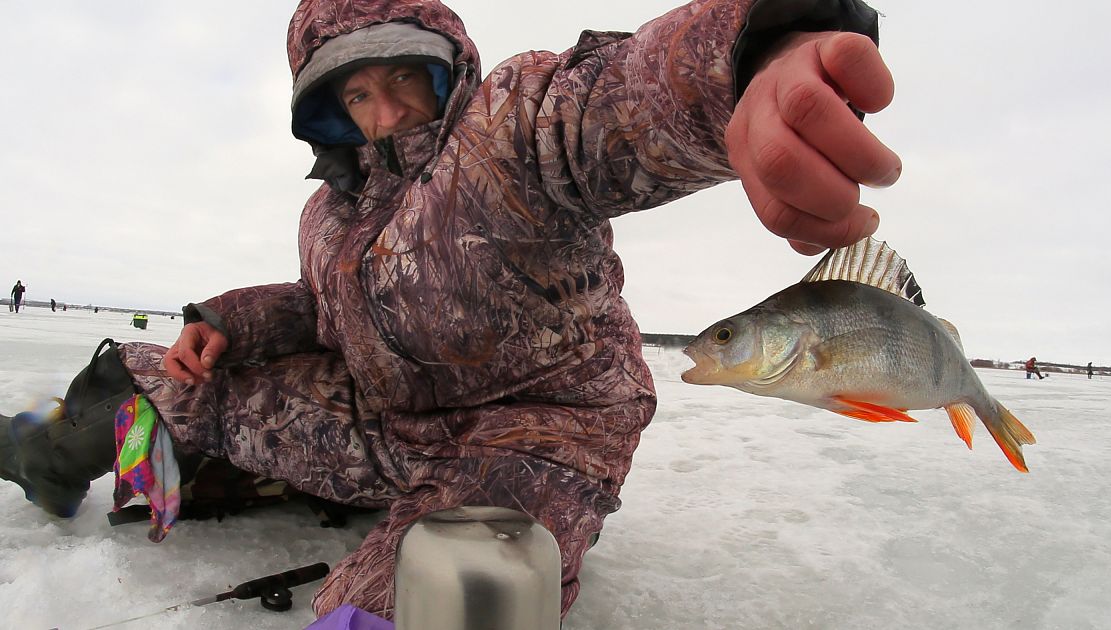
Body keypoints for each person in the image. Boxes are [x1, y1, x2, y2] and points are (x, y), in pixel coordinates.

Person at [0, 0, 898, 620]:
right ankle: (48, 453)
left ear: (447, 69)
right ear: (329, 113)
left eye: (403, 78)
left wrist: (756, 58)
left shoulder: (506, 136)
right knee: (160, 377)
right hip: (390, 422)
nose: (385, 112)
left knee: (442, 593)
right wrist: (228, 322)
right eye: (356, 94)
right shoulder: (329, 213)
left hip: (535, 435)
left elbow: (606, 101)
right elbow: (321, 309)